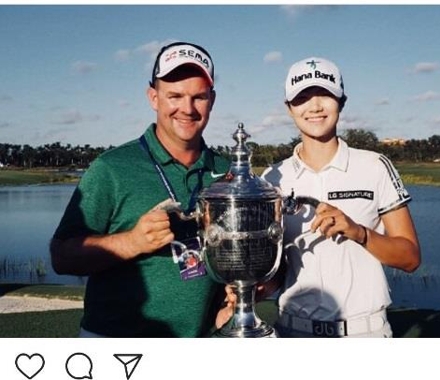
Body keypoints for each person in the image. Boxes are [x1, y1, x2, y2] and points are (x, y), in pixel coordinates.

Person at [50, 42, 232, 337]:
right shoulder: (112, 168)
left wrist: (228, 300)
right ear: (153, 98)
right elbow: (61, 257)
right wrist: (132, 241)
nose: (187, 109)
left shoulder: (228, 173)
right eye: (175, 96)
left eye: (198, 97)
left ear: (212, 100)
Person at [262, 56, 421, 338]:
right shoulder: (272, 178)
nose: (314, 106)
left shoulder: (374, 166)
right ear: (289, 108)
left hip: (364, 334)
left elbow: (410, 258)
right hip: (293, 331)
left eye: (325, 94)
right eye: (302, 98)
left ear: (341, 102)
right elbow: (273, 271)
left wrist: (359, 232)